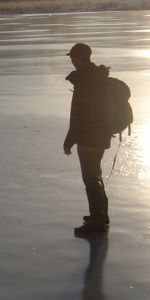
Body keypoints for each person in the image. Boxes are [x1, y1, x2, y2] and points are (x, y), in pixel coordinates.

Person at [63, 43, 112, 236]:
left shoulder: (85, 81)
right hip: (101, 136)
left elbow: (78, 116)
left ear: (78, 58)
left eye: (73, 58)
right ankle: (101, 215)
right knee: (95, 176)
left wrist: (69, 140)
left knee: (90, 179)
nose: (71, 61)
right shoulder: (98, 77)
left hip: (89, 138)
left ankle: (97, 223)